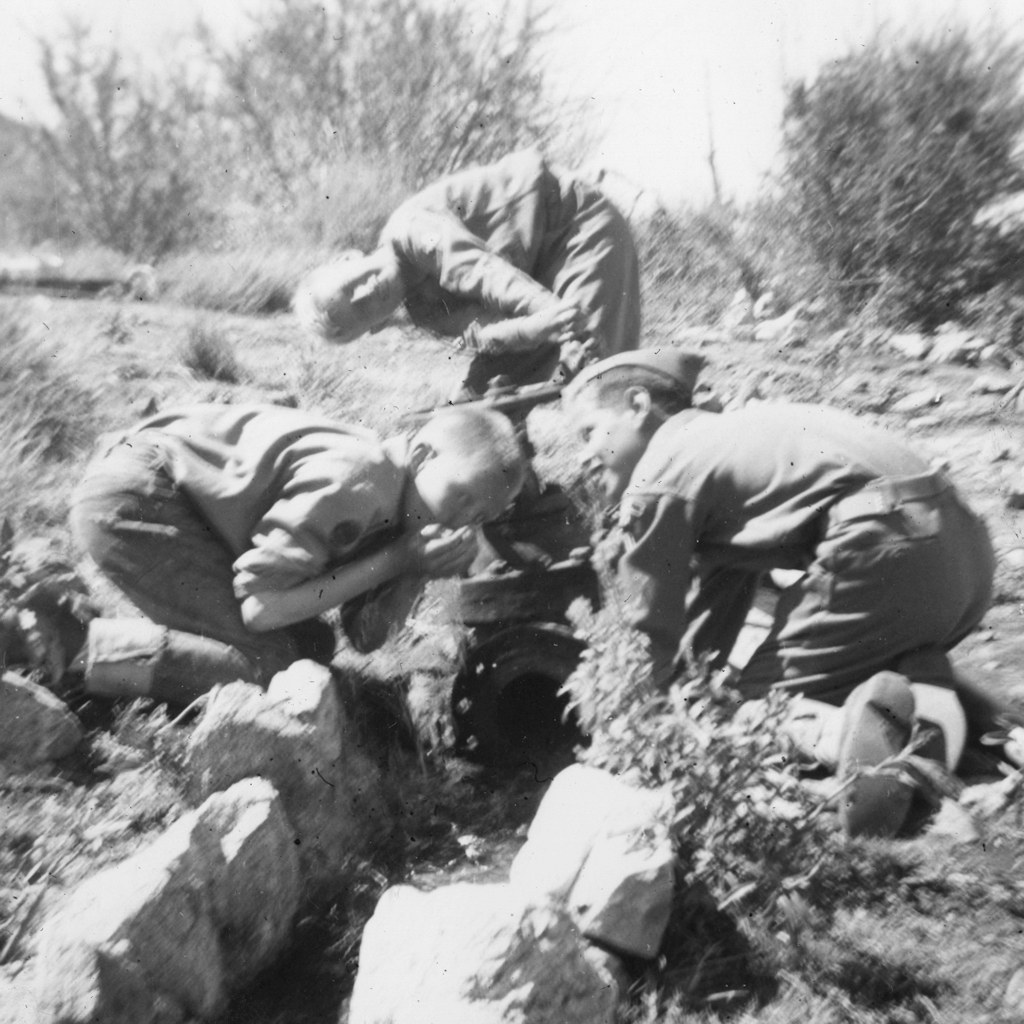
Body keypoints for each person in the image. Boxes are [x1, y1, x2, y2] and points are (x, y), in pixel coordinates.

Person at [562, 347, 1011, 838]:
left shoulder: (660, 477)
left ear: (638, 404)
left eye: (588, 432)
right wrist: (695, 689)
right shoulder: (728, 441)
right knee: (810, 678)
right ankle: (990, 725)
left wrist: (630, 734)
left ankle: (864, 757)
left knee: (754, 712)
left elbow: (649, 632)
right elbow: (709, 612)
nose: (582, 456)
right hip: (963, 555)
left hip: (886, 552)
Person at [69, 402, 526, 705]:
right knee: (274, 666)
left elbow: (365, 638)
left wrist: (414, 569)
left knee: (312, 646)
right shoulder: (359, 484)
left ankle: (131, 662)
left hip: (174, 505)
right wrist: (397, 560)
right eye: (463, 497)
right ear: (423, 455)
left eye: (480, 517)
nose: (463, 521)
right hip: (135, 499)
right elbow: (263, 607)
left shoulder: (411, 505)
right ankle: (71, 650)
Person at [293, 149, 641, 397]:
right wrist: (537, 326)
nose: (366, 292)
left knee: (596, 372)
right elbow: (484, 333)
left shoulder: (410, 231)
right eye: (362, 310)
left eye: (351, 284)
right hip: (533, 283)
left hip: (576, 224)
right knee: (483, 401)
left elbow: (481, 272)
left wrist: (550, 315)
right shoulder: (423, 310)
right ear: (379, 325)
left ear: (348, 258)